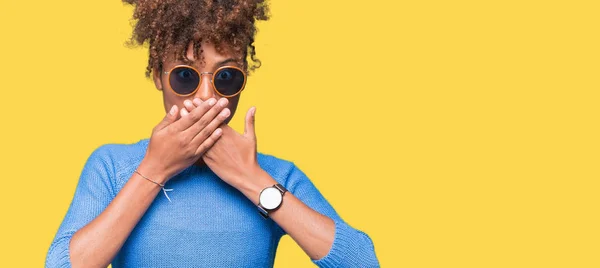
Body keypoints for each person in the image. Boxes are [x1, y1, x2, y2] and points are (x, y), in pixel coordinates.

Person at [45, 0, 380, 267]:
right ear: (158, 77)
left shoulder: (275, 176)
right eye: (186, 76)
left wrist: (252, 179)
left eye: (226, 77)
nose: (206, 96)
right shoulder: (113, 166)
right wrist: (155, 168)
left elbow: (364, 262)